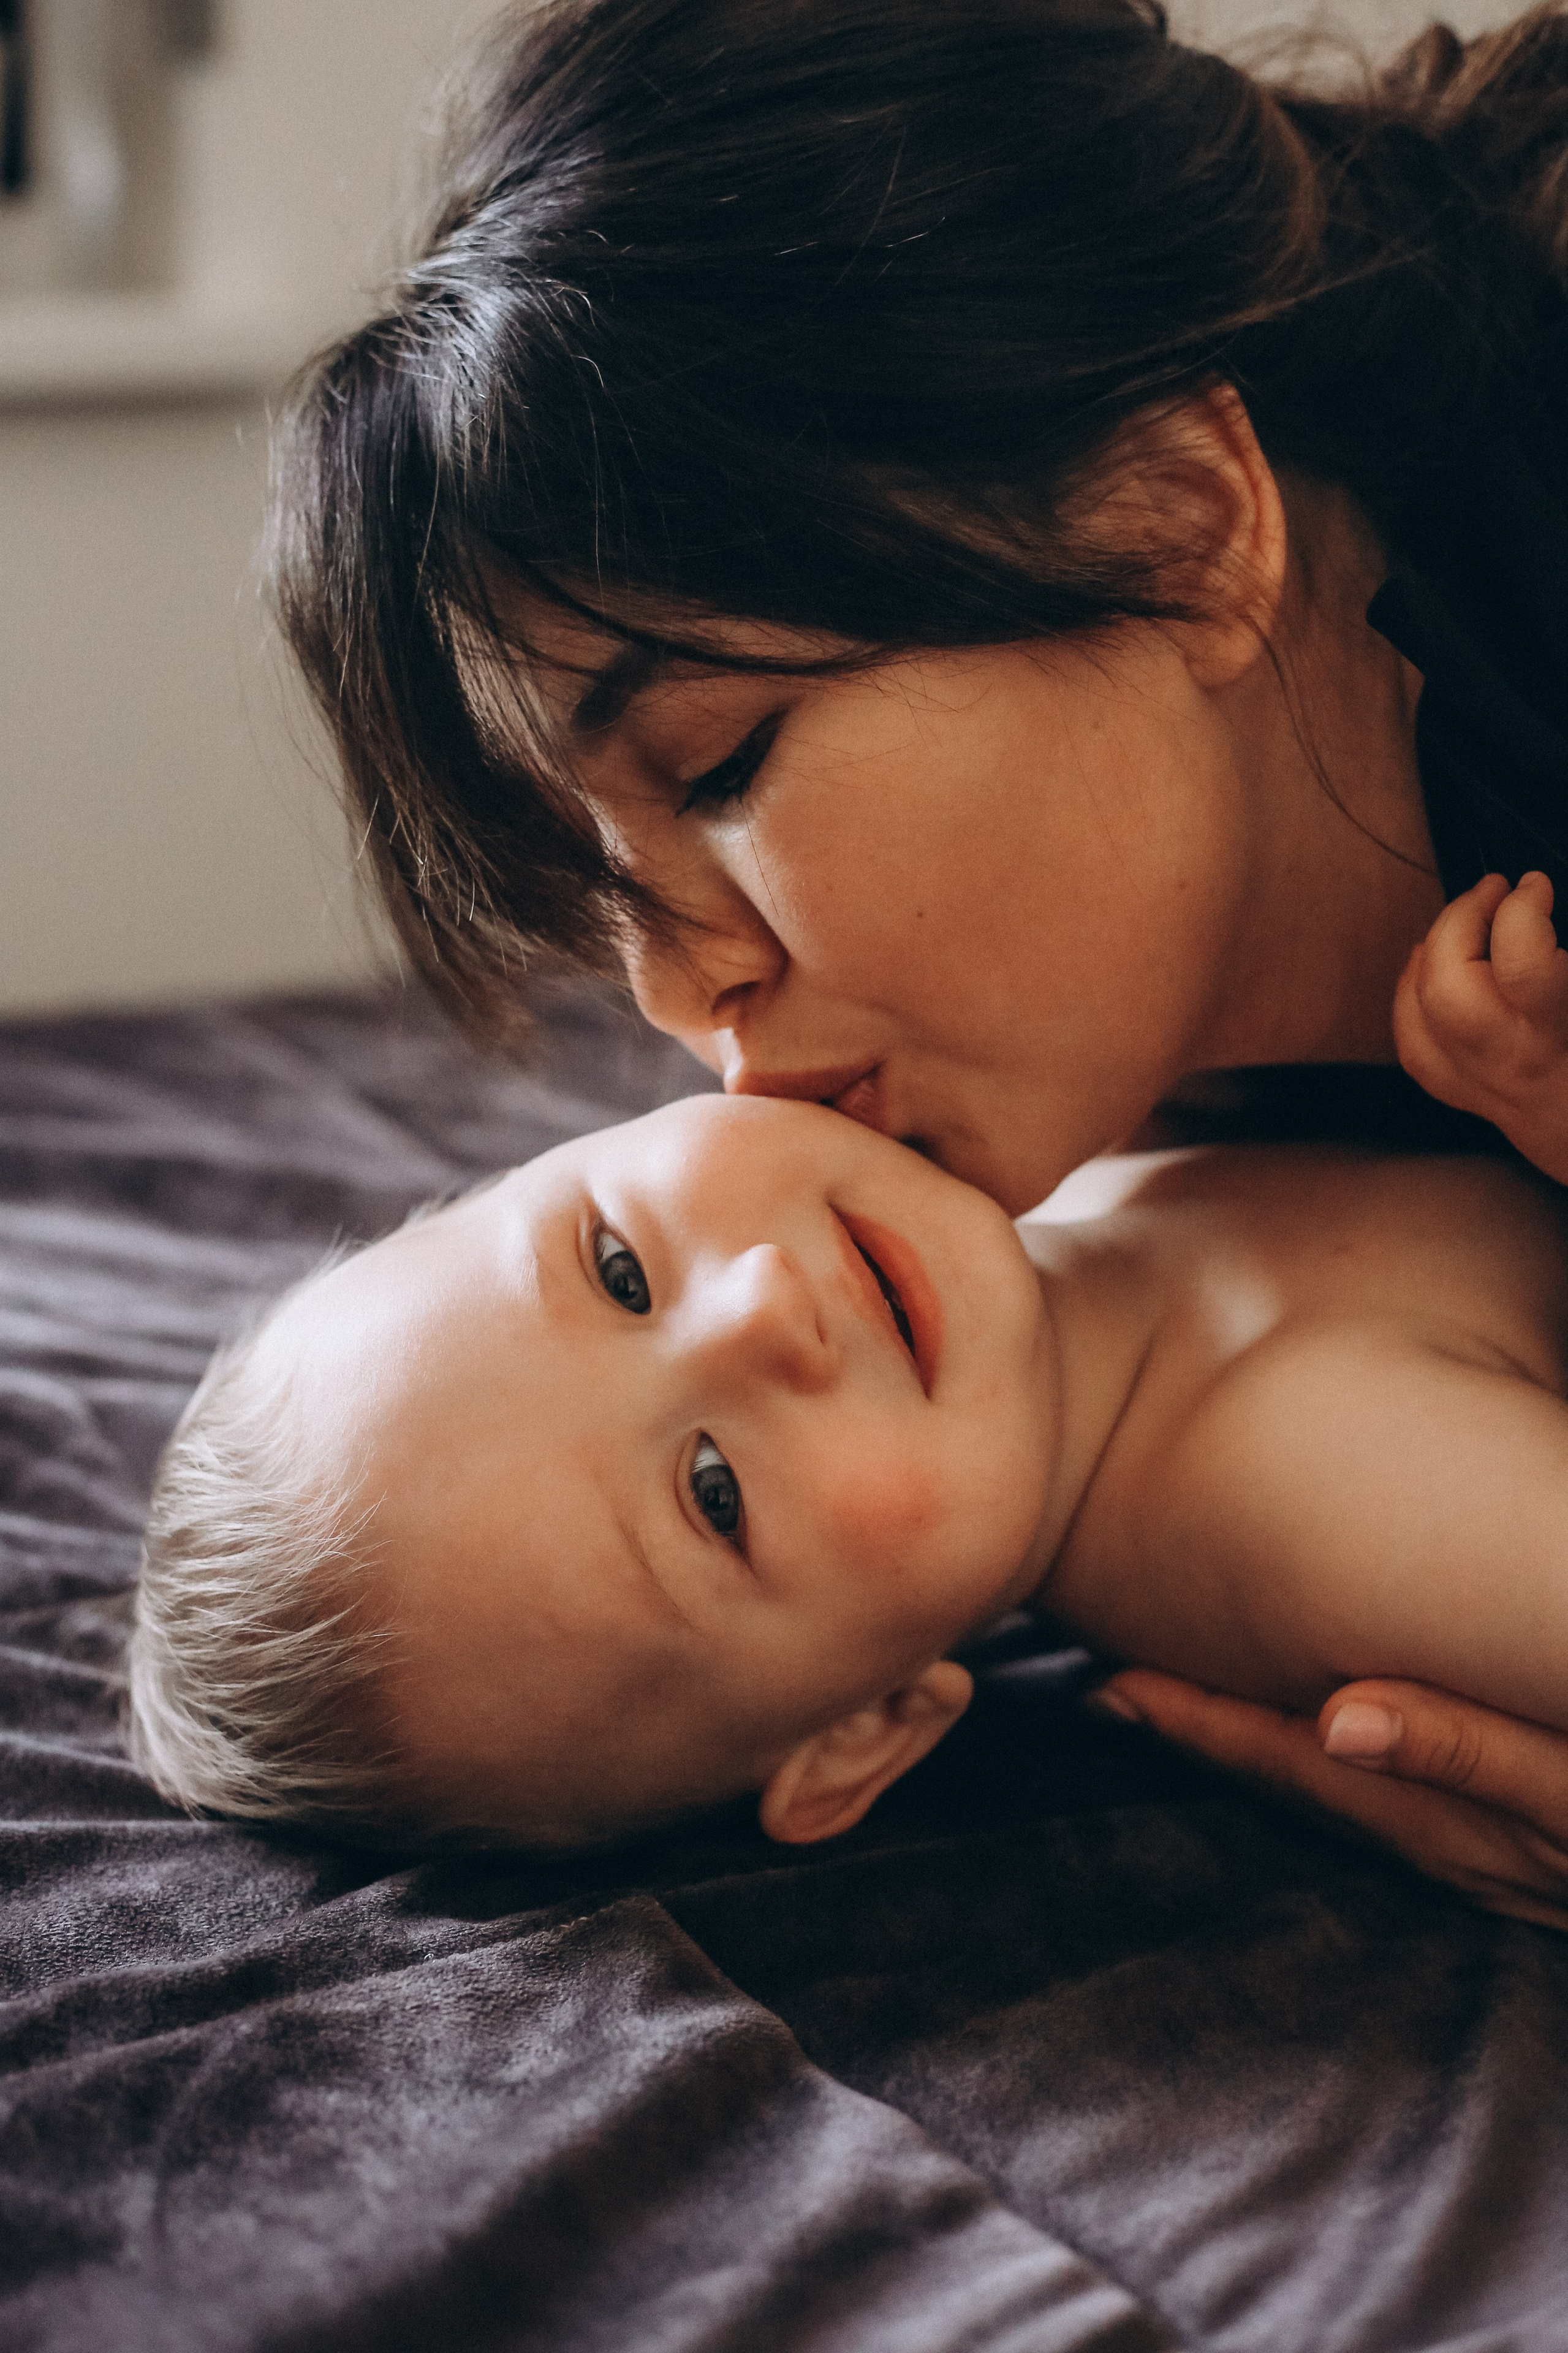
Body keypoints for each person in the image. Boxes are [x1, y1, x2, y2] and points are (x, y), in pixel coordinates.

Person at [268, 0, 1568, 1917]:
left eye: (715, 765)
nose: (673, 1000)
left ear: (1177, 518)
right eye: (603, 891)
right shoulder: (1113, 1132)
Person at [127, 880, 1568, 1879]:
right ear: (859, 1732)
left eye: (619, 1267)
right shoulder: (1310, 1492)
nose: (761, 1309)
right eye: (711, 1492)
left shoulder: (1032, 1157)